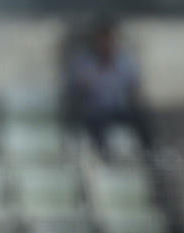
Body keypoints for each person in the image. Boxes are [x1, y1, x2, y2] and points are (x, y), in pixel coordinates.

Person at [65, 15, 153, 160]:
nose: (106, 43)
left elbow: (134, 85)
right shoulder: (84, 62)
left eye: (110, 38)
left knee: (143, 120)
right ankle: (104, 160)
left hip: (118, 109)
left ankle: (149, 158)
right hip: (95, 112)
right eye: (102, 39)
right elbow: (76, 89)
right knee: (96, 127)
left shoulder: (125, 60)